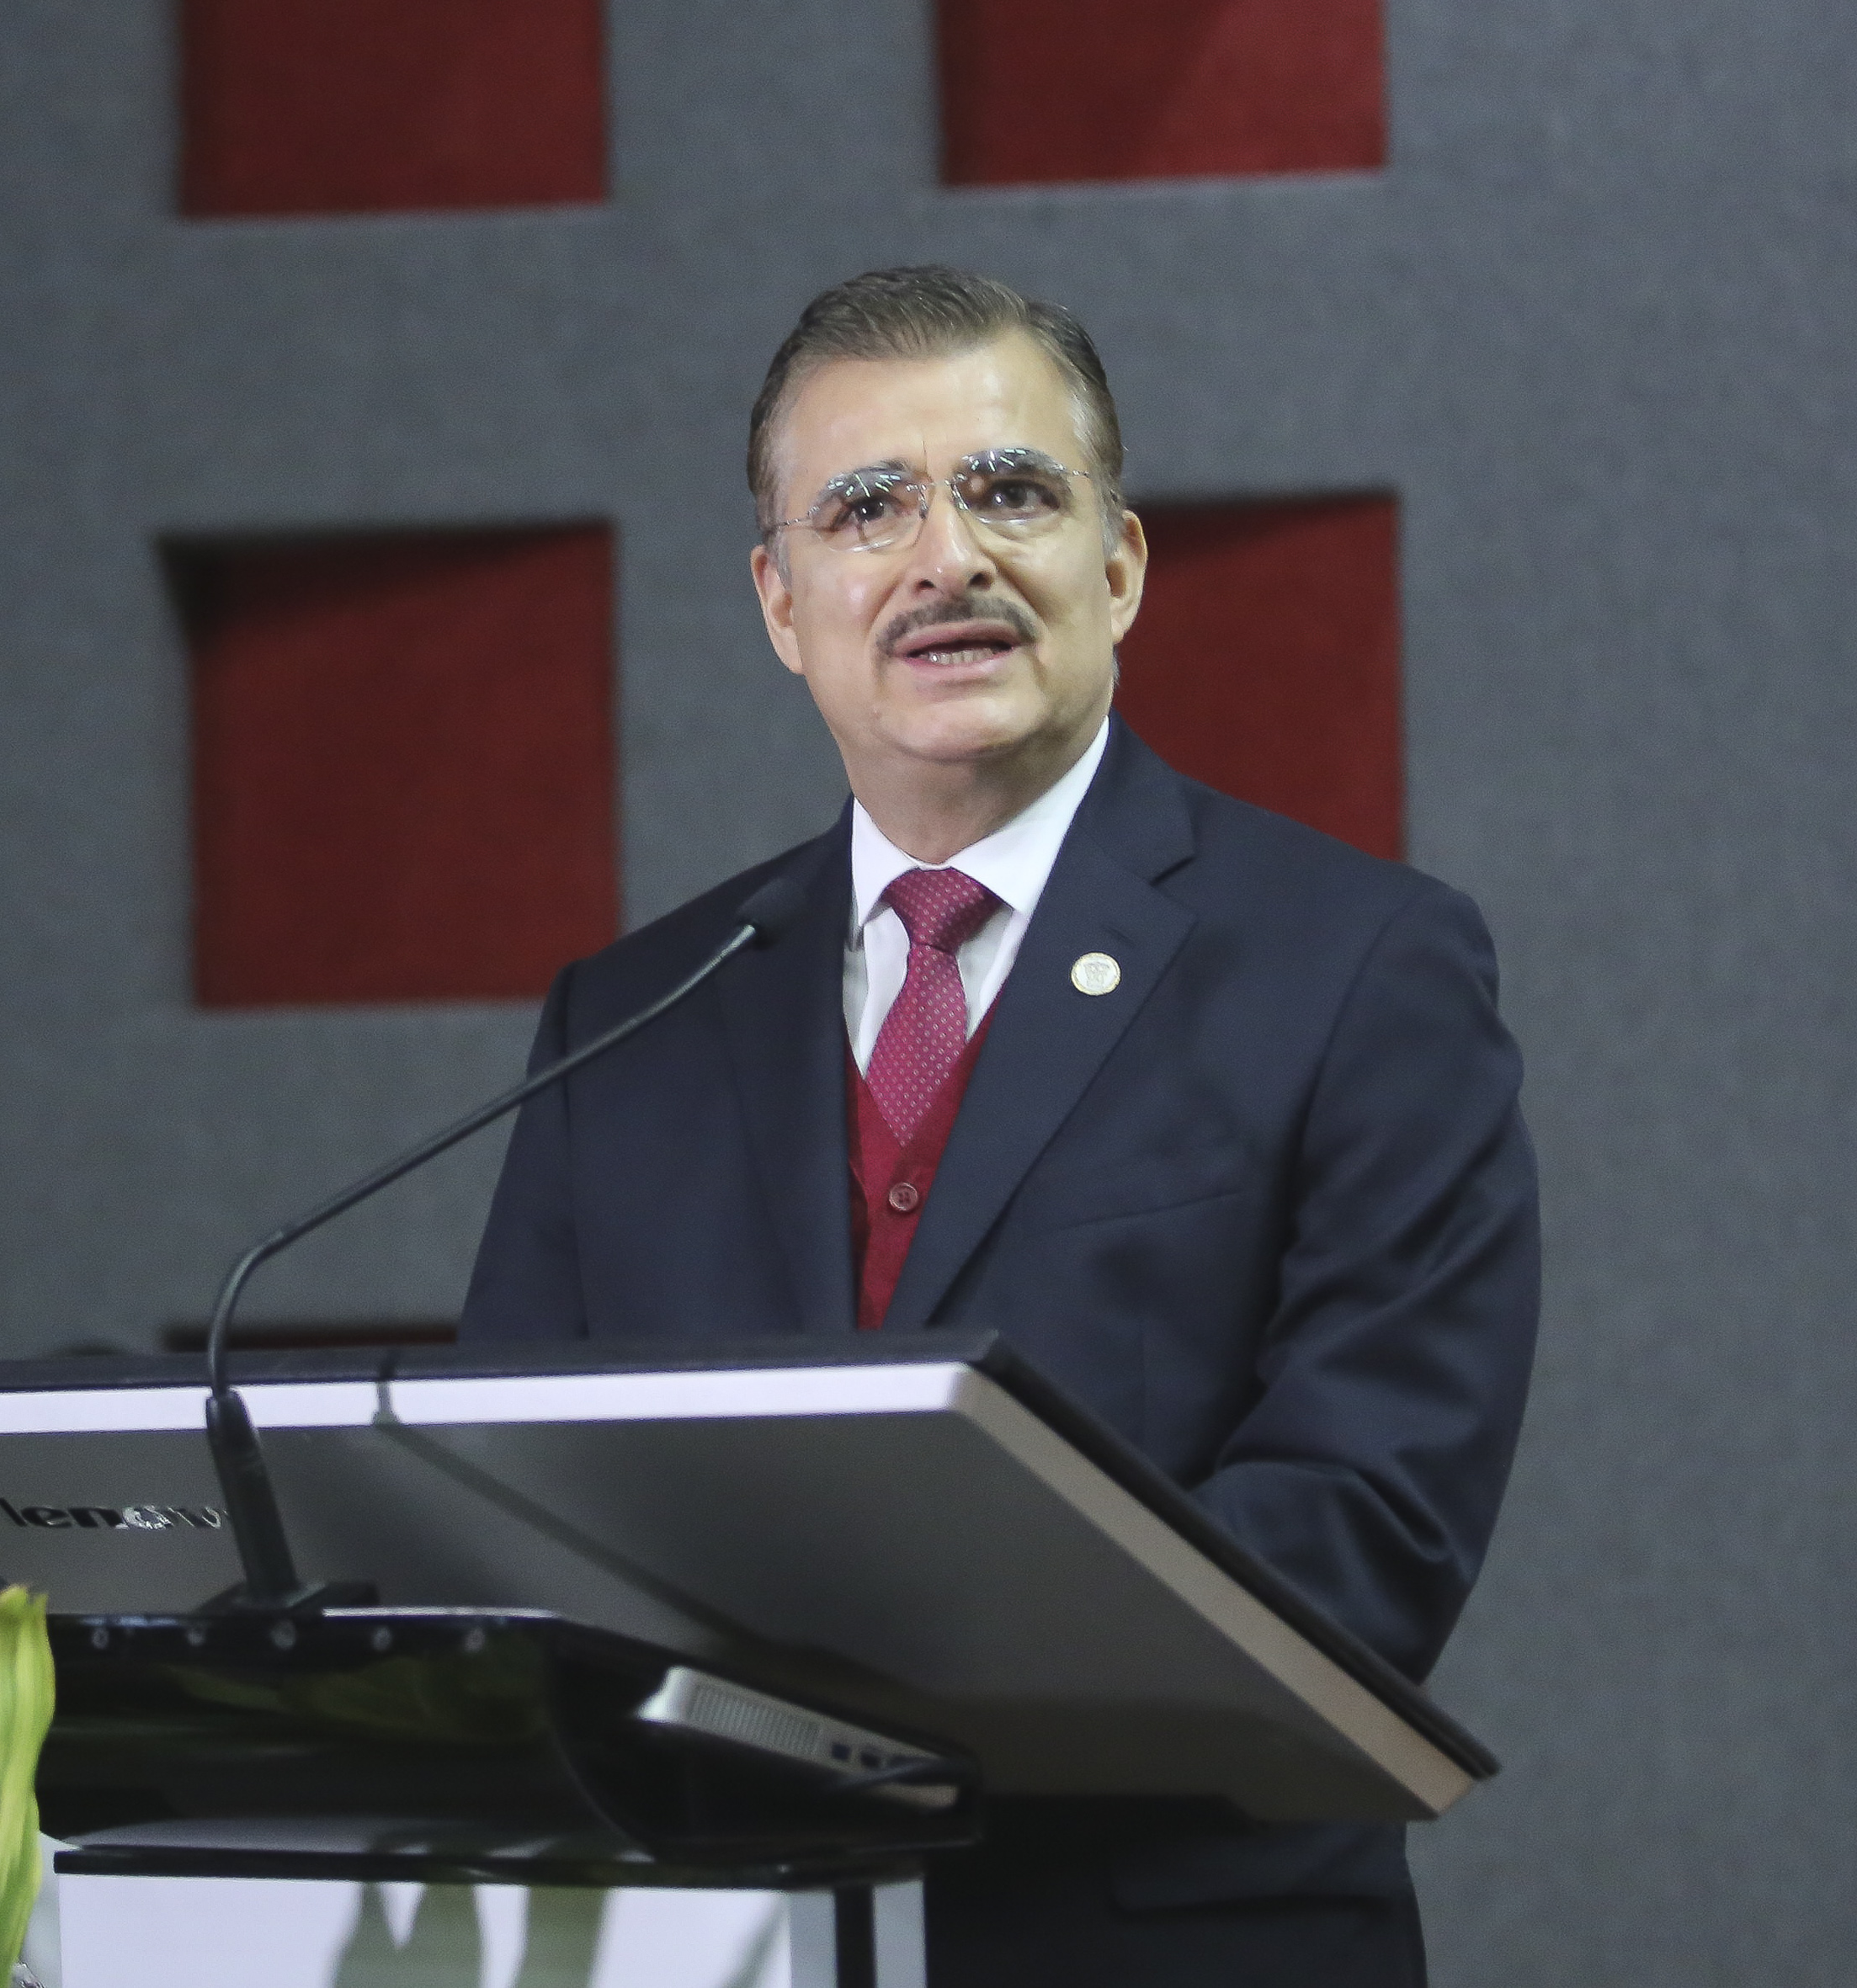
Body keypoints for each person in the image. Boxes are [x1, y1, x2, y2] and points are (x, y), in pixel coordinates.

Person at [459, 266, 1538, 1987]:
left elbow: (1363, 1532)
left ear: (1113, 566)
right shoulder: (633, 1013)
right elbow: (508, 1514)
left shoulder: (1357, 966)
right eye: (865, 507)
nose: (942, 556)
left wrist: (856, 1686)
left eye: (1009, 491)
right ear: (778, 601)